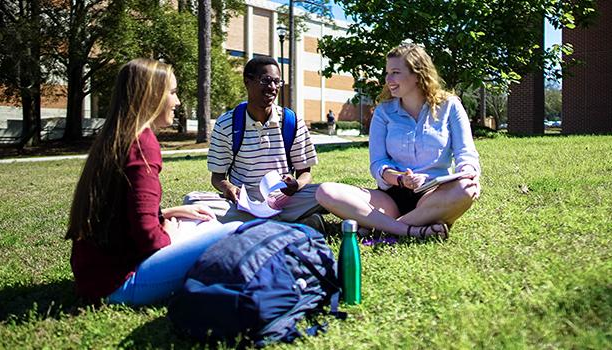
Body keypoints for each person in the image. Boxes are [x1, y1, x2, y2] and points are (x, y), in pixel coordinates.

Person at [66, 58, 241, 305]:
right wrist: (168, 234)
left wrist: (169, 212)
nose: (177, 101)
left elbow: (119, 215)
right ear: (151, 96)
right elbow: (148, 238)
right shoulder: (142, 144)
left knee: (198, 221)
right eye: (172, 92)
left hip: (94, 278)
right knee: (232, 231)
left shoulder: (116, 137)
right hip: (120, 284)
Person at [316, 43, 481, 239]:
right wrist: (401, 179)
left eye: (395, 72)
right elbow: (378, 163)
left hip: (434, 195)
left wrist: (468, 172)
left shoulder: (450, 106)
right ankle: (411, 229)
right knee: (325, 192)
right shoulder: (383, 112)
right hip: (390, 197)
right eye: (387, 73)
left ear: (418, 74)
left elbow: (466, 153)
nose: (388, 79)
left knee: (467, 187)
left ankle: (383, 227)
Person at [198, 56, 324, 228]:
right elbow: (218, 177)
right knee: (193, 201)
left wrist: (296, 184)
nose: (272, 88)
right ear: (247, 82)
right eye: (266, 81)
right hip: (243, 203)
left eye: (277, 82)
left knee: (325, 192)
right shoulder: (226, 124)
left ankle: (256, 224)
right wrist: (229, 188)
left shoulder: (292, 122)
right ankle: (293, 222)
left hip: (284, 200)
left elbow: (305, 173)